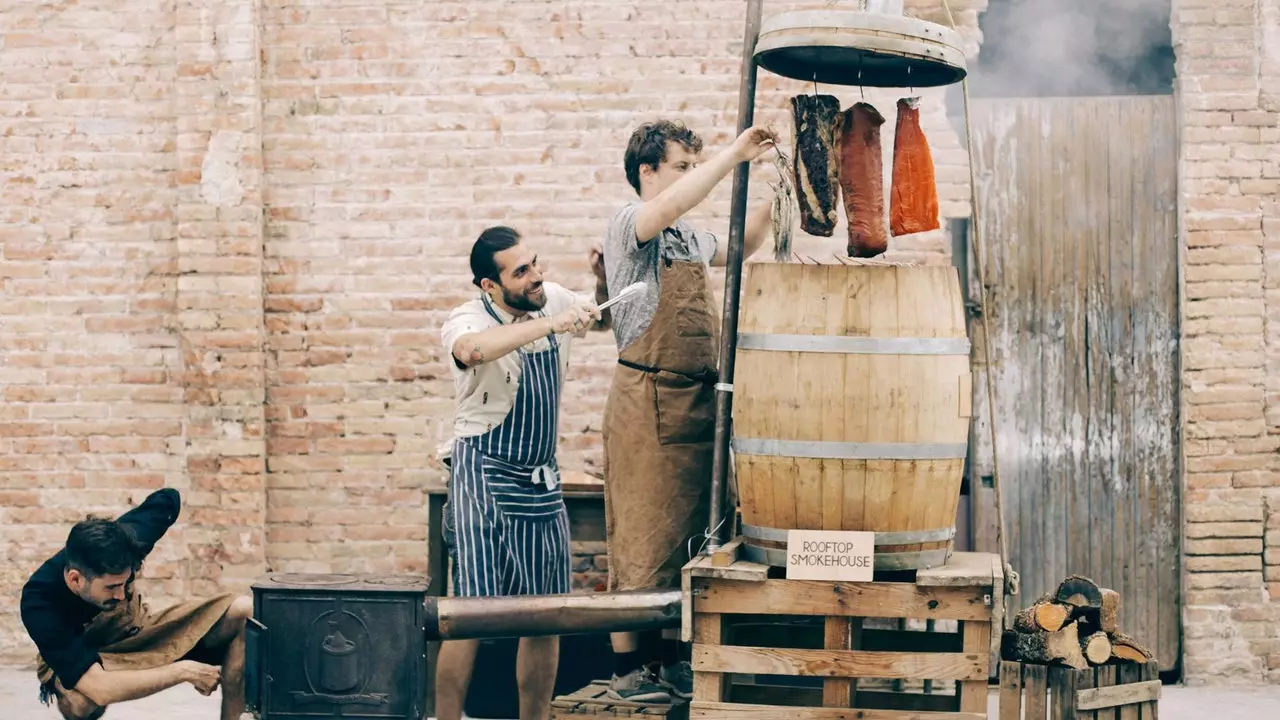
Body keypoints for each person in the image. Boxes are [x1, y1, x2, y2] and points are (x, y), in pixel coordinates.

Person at [597, 119, 778, 703]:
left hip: (699, 405)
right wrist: (735, 154)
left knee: (692, 542)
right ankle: (630, 672)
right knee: (642, 543)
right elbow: (675, 202)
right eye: (680, 165)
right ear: (647, 171)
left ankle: (672, 664)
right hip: (648, 407)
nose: (689, 175)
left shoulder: (685, 239)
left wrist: (778, 191)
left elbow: (743, 246)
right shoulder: (633, 224)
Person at [435, 225, 609, 720]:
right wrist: (551, 324)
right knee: (469, 614)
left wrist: (600, 284)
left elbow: (601, 319)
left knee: (545, 615)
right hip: (482, 474)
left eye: (536, 263)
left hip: (541, 480)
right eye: (521, 271)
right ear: (490, 286)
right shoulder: (465, 318)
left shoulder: (549, 297)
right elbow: (474, 350)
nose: (537, 277)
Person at [19, 488, 253, 720]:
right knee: (80, 701)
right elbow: (100, 689)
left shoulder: (129, 541)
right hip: (84, 654)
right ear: (75, 579)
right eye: (111, 587)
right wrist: (183, 671)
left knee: (245, 610)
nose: (121, 595)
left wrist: (124, 533)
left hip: (136, 631)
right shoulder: (39, 602)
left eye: (126, 582)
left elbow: (169, 497)